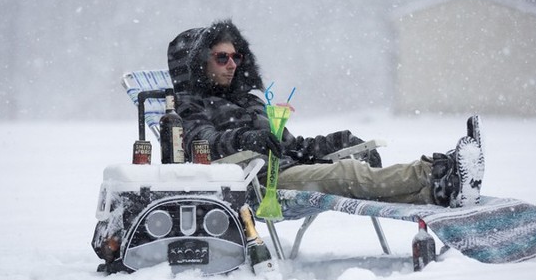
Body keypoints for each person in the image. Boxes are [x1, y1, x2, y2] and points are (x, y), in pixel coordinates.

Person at [167, 19, 484, 208]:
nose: (232, 64)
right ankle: (436, 171)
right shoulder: (187, 106)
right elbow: (201, 143)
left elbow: (290, 147)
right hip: (257, 185)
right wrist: (245, 138)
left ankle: (439, 192)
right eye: (222, 58)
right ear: (200, 63)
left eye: (236, 56)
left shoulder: (248, 101)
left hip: (284, 171)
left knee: (351, 167)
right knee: (348, 175)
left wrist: (334, 143)